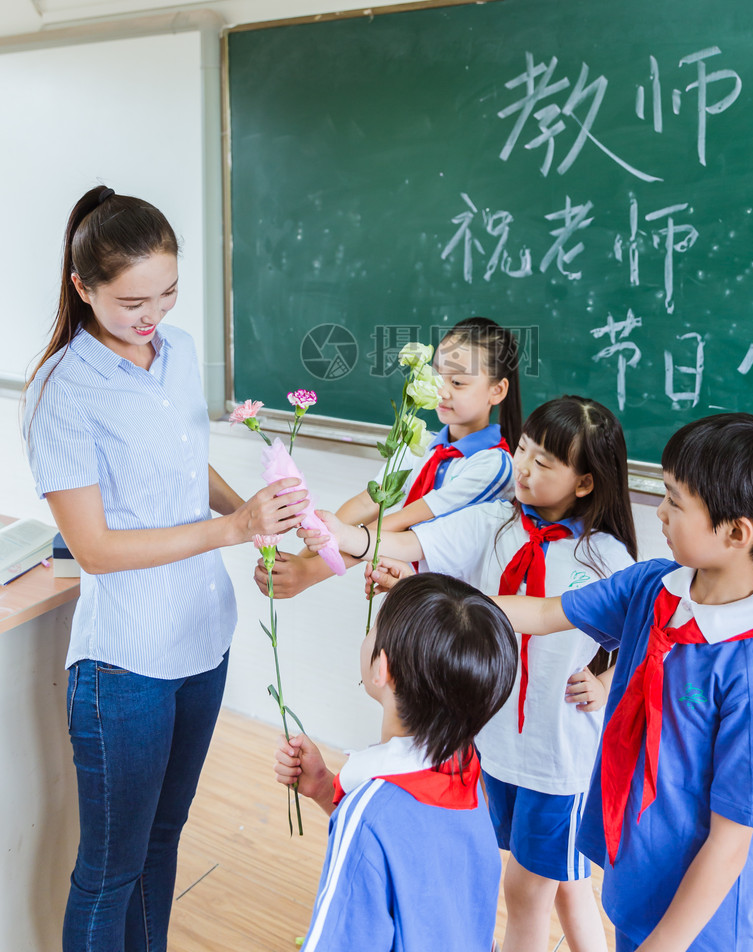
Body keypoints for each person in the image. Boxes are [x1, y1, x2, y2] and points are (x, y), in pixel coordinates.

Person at [23, 186, 308, 952]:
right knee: (109, 868)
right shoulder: (62, 391)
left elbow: (187, 466)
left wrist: (249, 509)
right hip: (126, 665)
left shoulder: (176, 354)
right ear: (83, 288)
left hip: (201, 641)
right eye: (131, 302)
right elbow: (95, 549)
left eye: (169, 294)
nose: (152, 316)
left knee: (163, 837)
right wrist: (230, 527)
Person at [305, 396, 638, 952]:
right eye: (523, 451)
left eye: (544, 463)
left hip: (557, 761)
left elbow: (646, 644)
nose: (523, 469)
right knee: (544, 874)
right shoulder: (495, 520)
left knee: (527, 889)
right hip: (487, 745)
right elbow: (408, 544)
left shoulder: (605, 559)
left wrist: (604, 684)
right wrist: (343, 534)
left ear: (584, 483)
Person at [492, 412, 753, 952]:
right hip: (635, 885)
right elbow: (546, 613)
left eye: (675, 500)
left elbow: (733, 843)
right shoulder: (653, 587)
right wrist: (441, 606)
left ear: (736, 532)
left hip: (698, 930)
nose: (658, 512)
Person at [273, 572, 518, 952]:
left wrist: (353, 809)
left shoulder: (368, 818)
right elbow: (413, 861)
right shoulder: (466, 770)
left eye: (374, 627)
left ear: (381, 668)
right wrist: (325, 789)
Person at [255, 315, 522, 597]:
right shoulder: (420, 443)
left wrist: (310, 573)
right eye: (437, 375)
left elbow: (396, 523)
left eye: (457, 382)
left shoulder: (494, 465)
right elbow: (368, 501)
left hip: (455, 607)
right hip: (409, 592)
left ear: (497, 390)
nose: (441, 390)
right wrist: (302, 559)